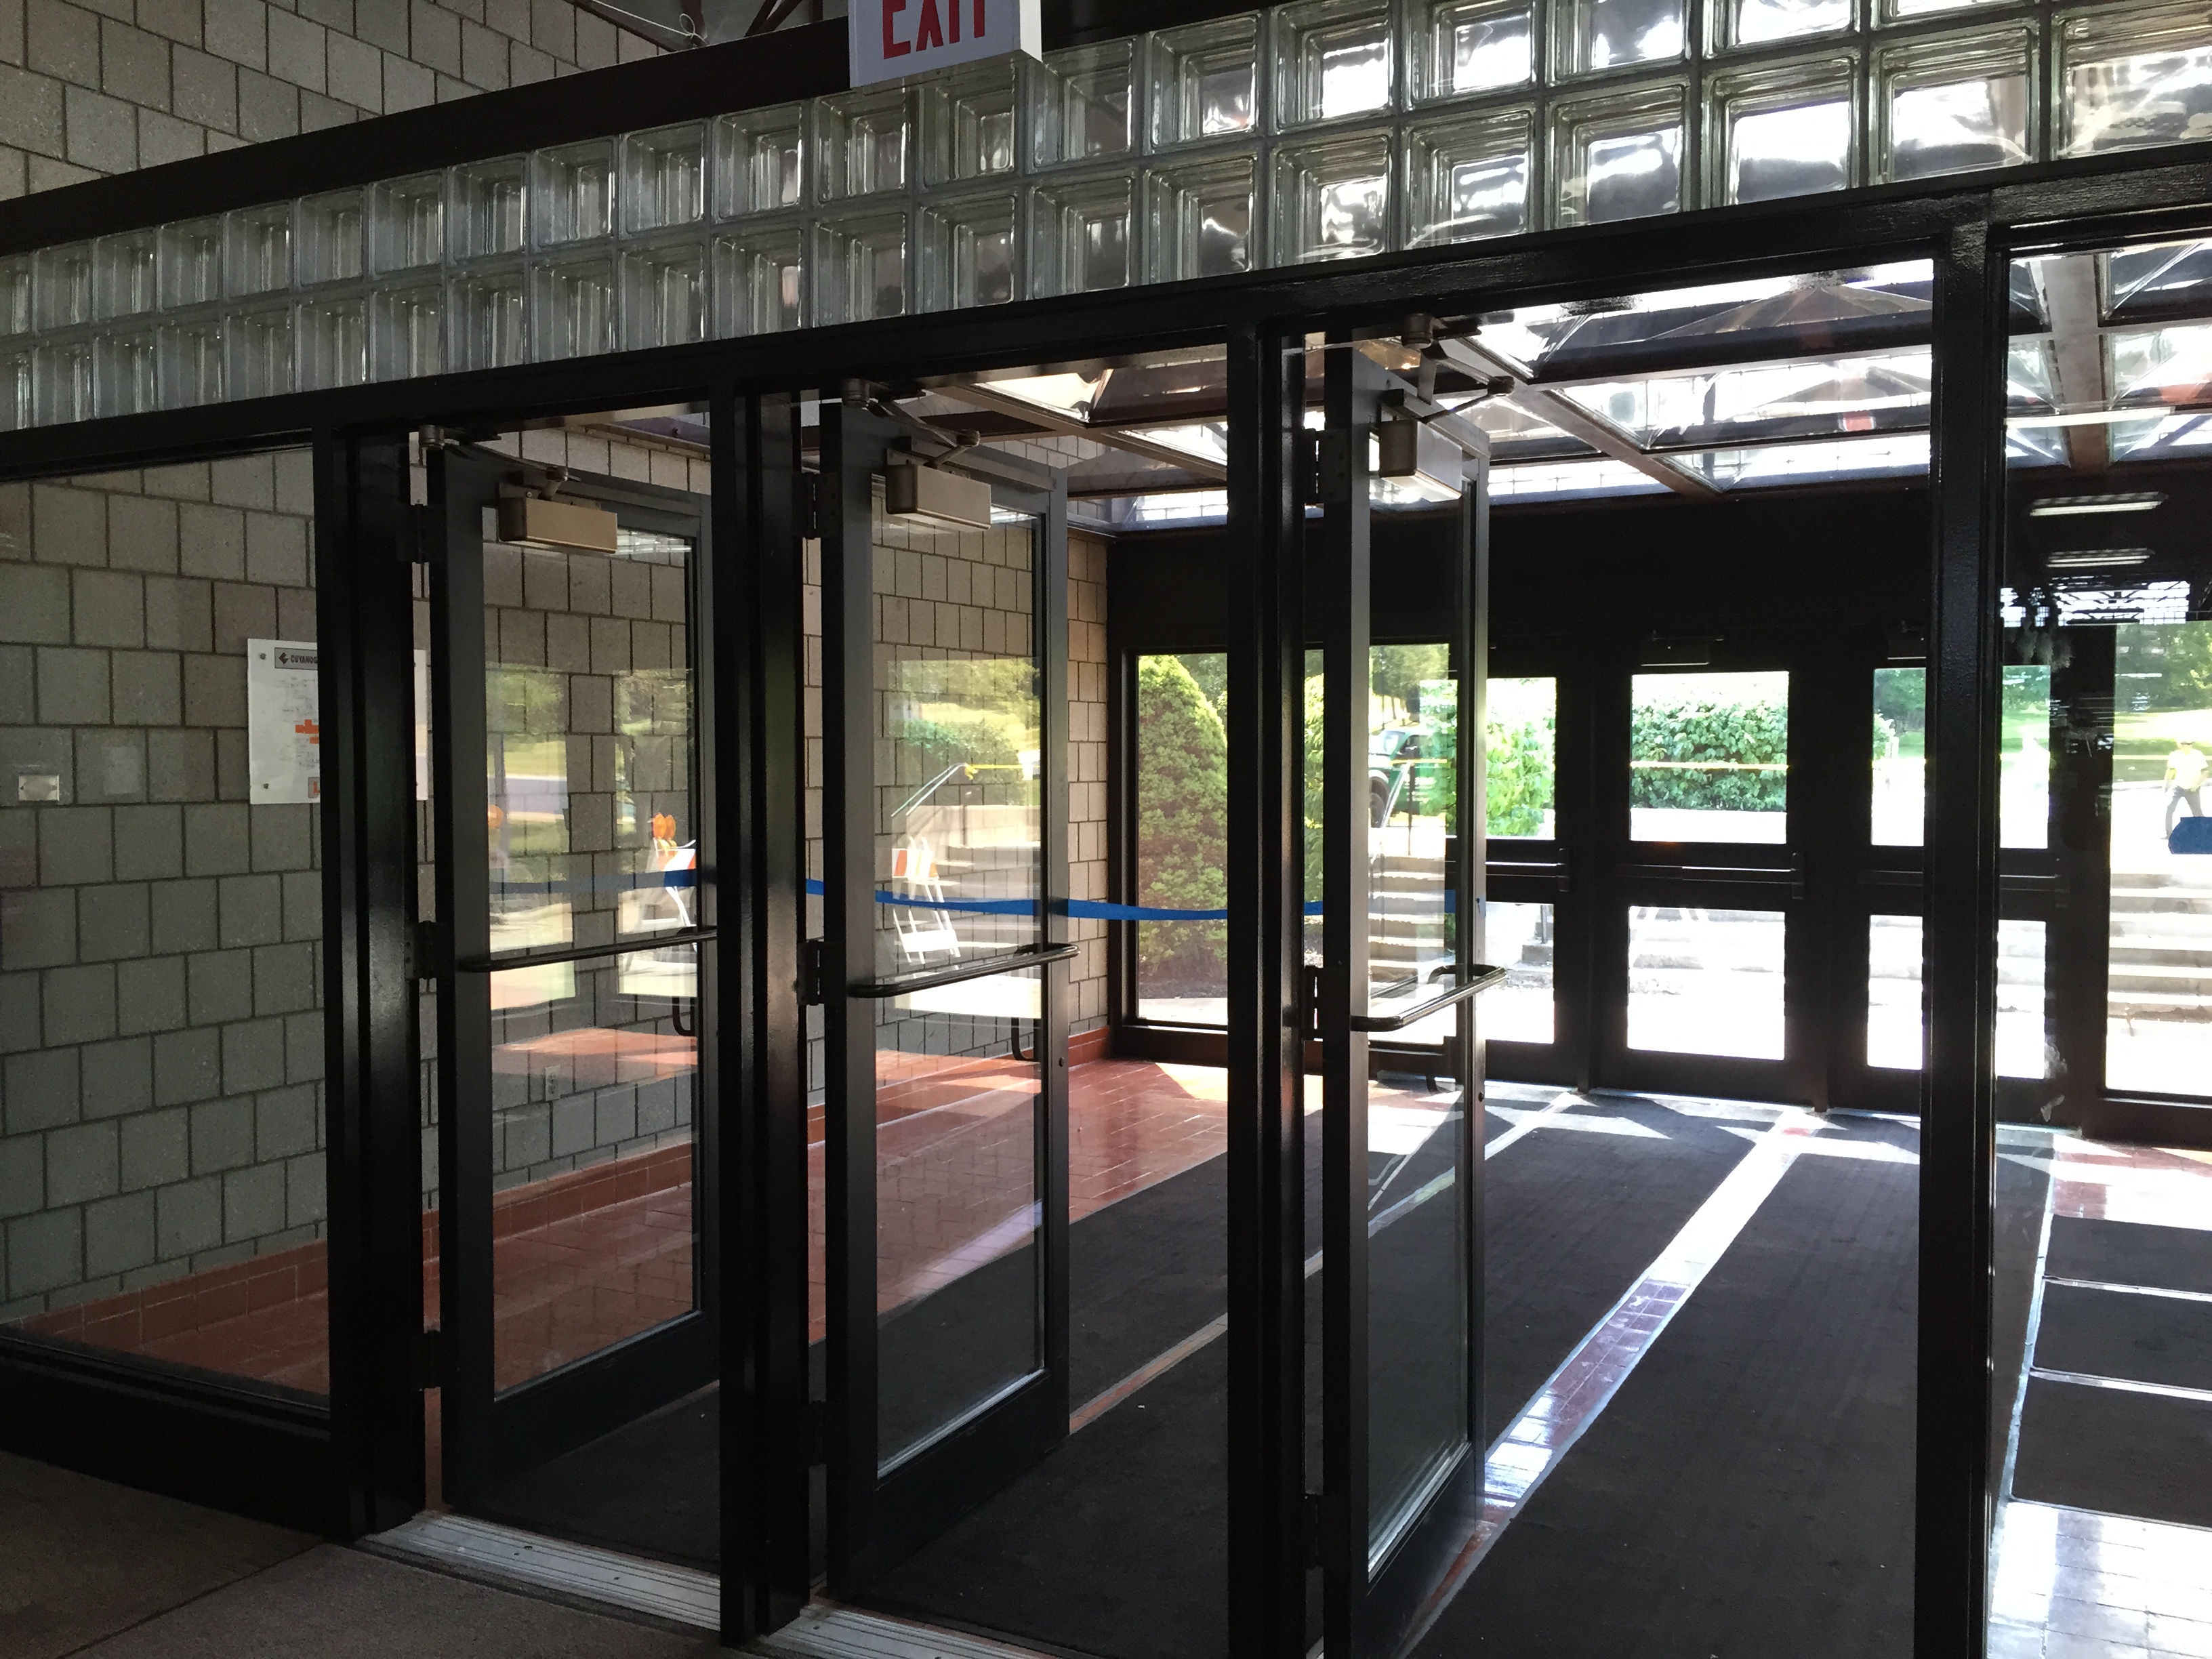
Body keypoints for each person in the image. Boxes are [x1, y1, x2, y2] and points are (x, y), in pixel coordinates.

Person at [2165, 738, 2210, 837]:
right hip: (2177, 786)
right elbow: (2171, 771)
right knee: (2169, 808)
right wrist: (2166, 784)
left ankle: (2204, 833)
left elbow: (2205, 772)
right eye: (2184, 744)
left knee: (2197, 812)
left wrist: (2197, 785)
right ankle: (2169, 833)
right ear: (2179, 745)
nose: (2187, 746)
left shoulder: (2198, 755)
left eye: (2189, 744)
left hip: (2192, 788)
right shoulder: (2174, 755)